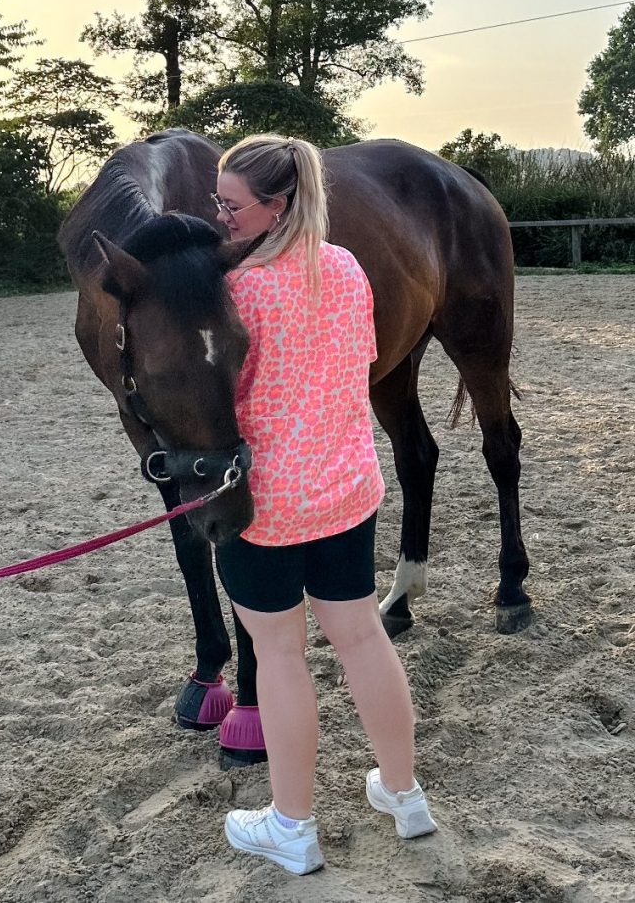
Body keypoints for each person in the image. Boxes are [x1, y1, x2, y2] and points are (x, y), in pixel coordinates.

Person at [212, 134, 437, 876]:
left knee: (280, 655)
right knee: (363, 637)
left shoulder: (237, 289)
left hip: (267, 504)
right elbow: (362, 363)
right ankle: (404, 795)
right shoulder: (346, 267)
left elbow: (219, 399)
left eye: (232, 206)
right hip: (346, 488)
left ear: (277, 205)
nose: (221, 217)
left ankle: (292, 825)